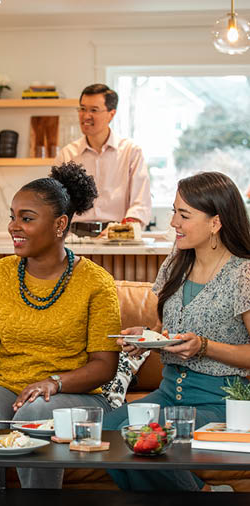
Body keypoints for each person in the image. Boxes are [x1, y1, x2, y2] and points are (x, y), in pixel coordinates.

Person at [0, 162, 121, 504]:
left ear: (60, 224)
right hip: (7, 388)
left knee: (34, 412)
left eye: (27, 218)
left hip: (77, 396)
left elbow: (104, 366)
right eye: (13, 216)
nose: (13, 227)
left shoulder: (96, 282)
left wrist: (54, 382)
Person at [104, 171, 250, 491]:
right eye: (173, 211)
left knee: (140, 436)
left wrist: (205, 347)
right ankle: (203, 492)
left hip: (219, 401)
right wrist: (147, 339)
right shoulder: (176, 262)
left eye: (183, 215)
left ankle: (199, 495)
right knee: (108, 433)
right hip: (169, 393)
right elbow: (165, 329)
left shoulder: (243, 273)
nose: (173, 223)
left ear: (216, 222)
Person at [55, 83, 152, 234]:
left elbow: (141, 203)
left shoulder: (131, 152)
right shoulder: (67, 154)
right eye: (82, 109)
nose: (86, 116)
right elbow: (56, 203)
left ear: (111, 114)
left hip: (117, 236)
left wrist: (121, 230)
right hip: (74, 237)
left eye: (93, 110)